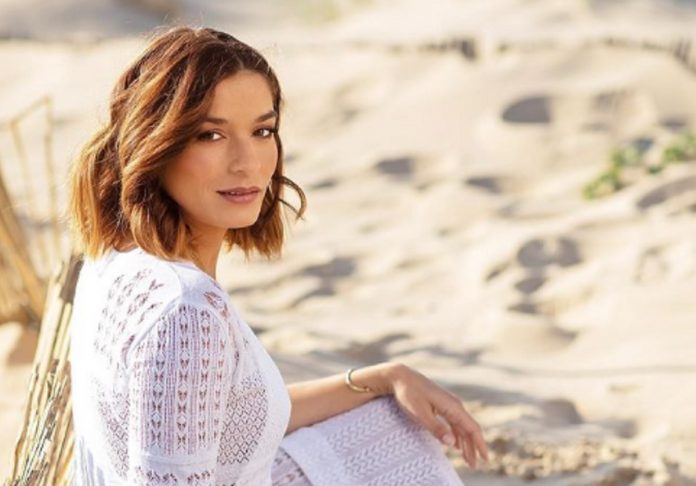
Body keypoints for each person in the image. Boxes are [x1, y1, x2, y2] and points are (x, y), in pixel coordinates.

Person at [67, 25, 489, 485]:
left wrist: (380, 378)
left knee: (393, 426)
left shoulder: (115, 258)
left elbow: (222, 421)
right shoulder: (185, 311)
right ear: (155, 143)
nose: (247, 162)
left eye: (262, 130)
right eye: (210, 135)